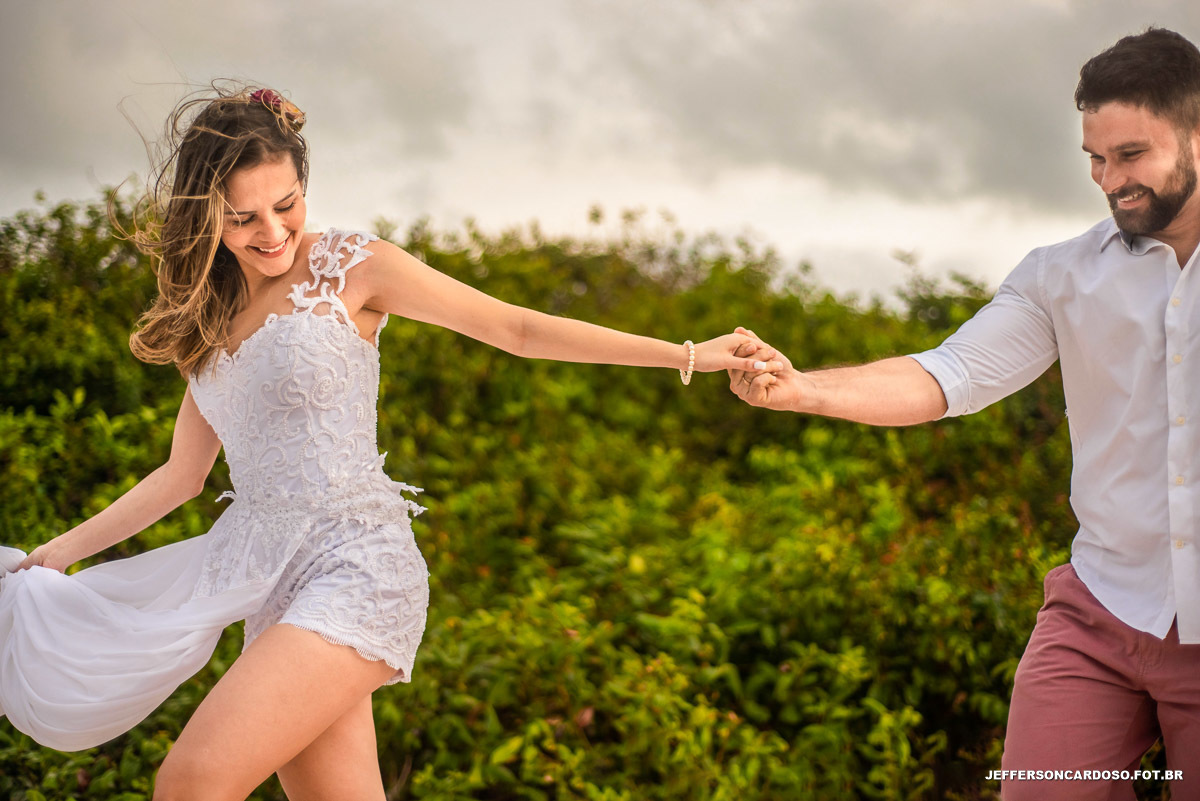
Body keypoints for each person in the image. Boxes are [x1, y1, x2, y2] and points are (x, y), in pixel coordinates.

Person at [0, 84, 782, 800]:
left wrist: (687, 353)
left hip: (356, 562)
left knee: (191, 783)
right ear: (206, 215)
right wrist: (54, 554)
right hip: (267, 584)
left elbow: (512, 328)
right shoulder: (207, 320)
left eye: (287, 204)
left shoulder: (353, 266)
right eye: (243, 217)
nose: (271, 231)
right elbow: (179, 475)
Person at [727, 26, 1200, 801]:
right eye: (1095, 158)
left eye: (1132, 155)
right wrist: (804, 386)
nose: (1110, 180)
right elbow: (954, 372)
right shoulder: (1060, 276)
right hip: (1101, 610)